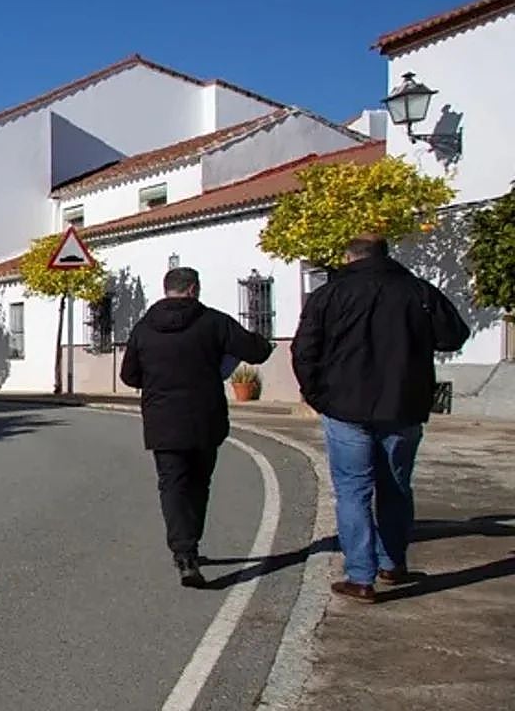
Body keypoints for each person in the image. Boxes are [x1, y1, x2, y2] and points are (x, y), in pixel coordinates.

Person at [292, 234, 469, 603]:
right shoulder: (418, 291)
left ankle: (361, 576)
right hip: (403, 404)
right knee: (396, 486)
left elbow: (304, 349)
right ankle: (392, 563)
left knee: (354, 491)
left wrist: (317, 395)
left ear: (348, 255)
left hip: (345, 406)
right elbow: (453, 336)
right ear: (387, 255)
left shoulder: (330, 295)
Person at [120, 267, 273, 587]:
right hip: (205, 418)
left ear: (167, 290)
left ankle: (184, 552)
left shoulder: (144, 328)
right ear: (193, 289)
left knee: (172, 485)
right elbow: (256, 352)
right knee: (199, 483)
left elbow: (129, 376)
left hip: (162, 421)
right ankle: (191, 542)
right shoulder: (214, 322)